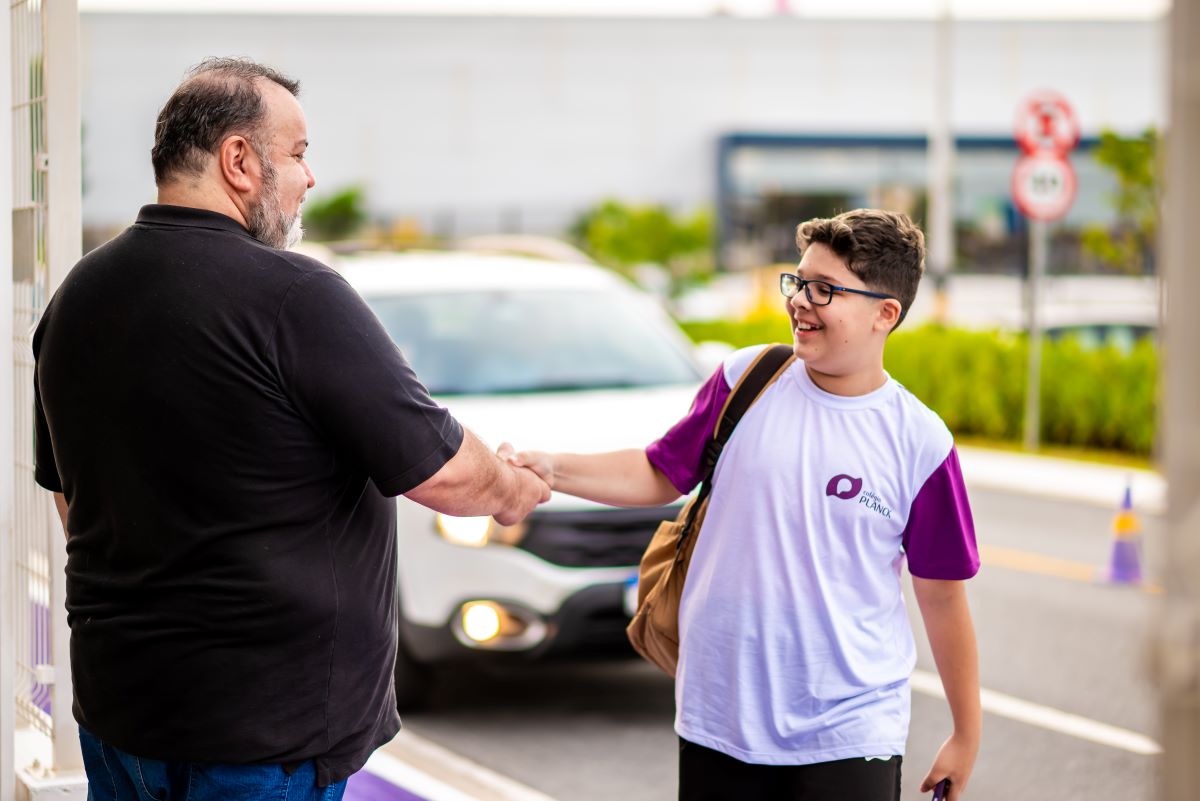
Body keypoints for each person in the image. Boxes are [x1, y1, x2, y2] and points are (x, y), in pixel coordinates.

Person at [33, 57, 549, 801]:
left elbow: (72, 498)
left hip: (119, 721)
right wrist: (513, 489)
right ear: (238, 160)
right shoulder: (296, 296)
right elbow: (442, 470)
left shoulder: (78, 296)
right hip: (257, 741)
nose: (310, 178)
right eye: (299, 153)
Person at [509, 209, 981, 801]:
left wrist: (966, 733)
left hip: (850, 730)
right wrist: (554, 469)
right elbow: (660, 470)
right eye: (799, 282)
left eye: (825, 290)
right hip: (719, 718)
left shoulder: (920, 441)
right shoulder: (747, 379)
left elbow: (941, 593)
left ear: (885, 314)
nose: (801, 302)